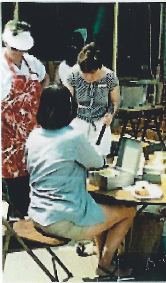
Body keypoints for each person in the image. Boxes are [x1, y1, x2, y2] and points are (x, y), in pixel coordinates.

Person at [25, 84, 136, 277]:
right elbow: (98, 162)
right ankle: (105, 265)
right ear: (70, 108)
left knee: (99, 205)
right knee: (128, 211)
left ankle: (101, 259)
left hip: (37, 214)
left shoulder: (34, 136)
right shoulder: (73, 137)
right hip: (62, 220)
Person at [1, 19, 50, 216]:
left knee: (34, 174)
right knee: (11, 179)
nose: (18, 53)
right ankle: (14, 226)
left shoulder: (33, 63)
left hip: (32, 131)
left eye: (21, 49)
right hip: (7, 136)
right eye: (14, 49)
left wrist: (43, 98)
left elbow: (45, 78)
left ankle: (32, 222)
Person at [64, 42, 120, 157]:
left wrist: (110, 114)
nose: (89, 78)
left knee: (98, 159)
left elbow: (114, 101)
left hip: (100, 124)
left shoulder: (109, 77)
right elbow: (66, 99)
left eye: (93, 73)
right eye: (85, 74)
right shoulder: (73, 75)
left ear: (99, 67)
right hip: (79, 121)